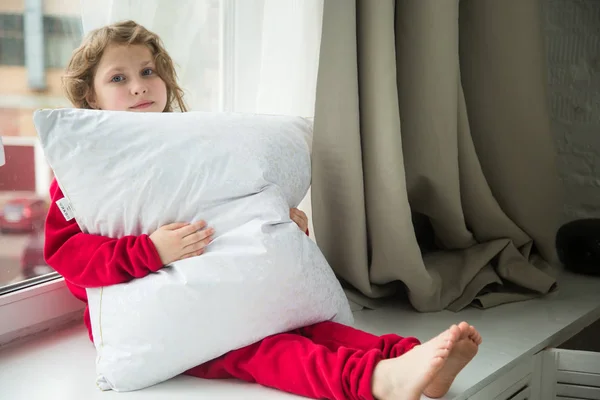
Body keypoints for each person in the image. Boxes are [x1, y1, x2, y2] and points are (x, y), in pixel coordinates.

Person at [45, 20, 482, 400]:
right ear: (91, 96)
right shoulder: (84, 173)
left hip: (223, 283)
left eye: (146, 71)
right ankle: (375, 381)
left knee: (309, 329)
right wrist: (150, 251)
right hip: (164, 314)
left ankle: (411, 360)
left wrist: (275, 222)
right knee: (266, 351)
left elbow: (227, 212)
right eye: (118, 78)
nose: (139, 84)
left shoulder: (193, 147)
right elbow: (67, 257)